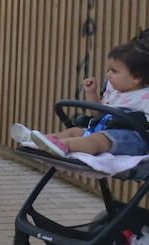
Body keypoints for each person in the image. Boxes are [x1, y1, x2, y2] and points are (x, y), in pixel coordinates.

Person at [14, 31, 149, 157]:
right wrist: (91, 93)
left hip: (130, 139)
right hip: (104, 131)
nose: (108, 75)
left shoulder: (144, 97)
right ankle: (41, 140)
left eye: (114, 71)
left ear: (136, 77)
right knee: (74, 132)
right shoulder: (115, 92)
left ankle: (62, 146)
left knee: (96, 139)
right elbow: (97, 114)